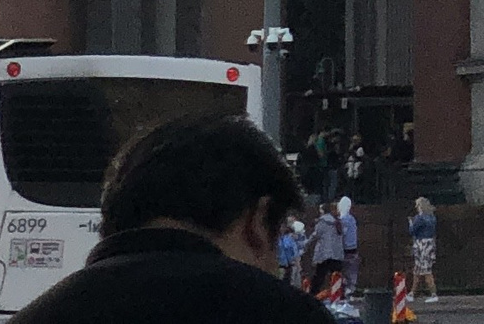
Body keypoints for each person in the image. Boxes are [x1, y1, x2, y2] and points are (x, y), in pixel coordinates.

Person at [23, 113, 308, 324]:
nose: (276, 267)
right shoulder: (284, 313)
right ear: (258, 222)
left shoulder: (37, 316)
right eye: (279, 236)